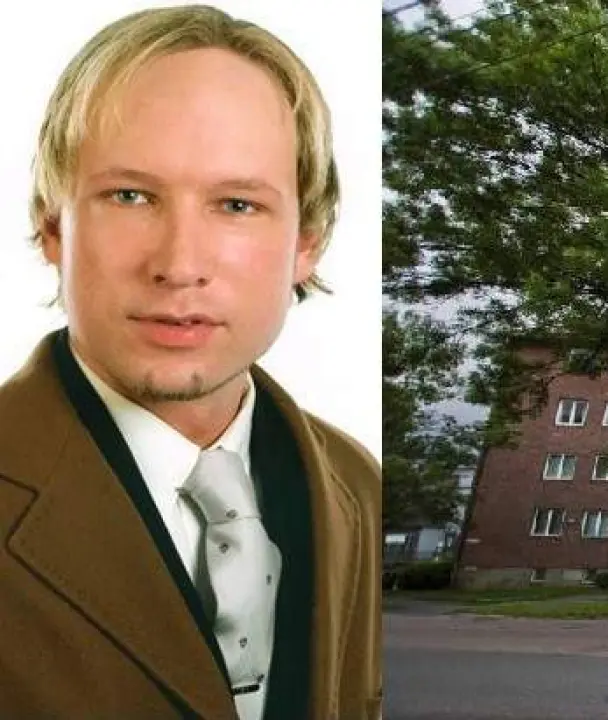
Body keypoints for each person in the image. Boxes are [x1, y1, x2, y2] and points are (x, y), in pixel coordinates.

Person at [0, 6, 380, 719]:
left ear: (308, 242)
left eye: (236, 204)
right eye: (130, 196)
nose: (179, 265)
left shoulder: (357, 485)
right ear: (52, 225)